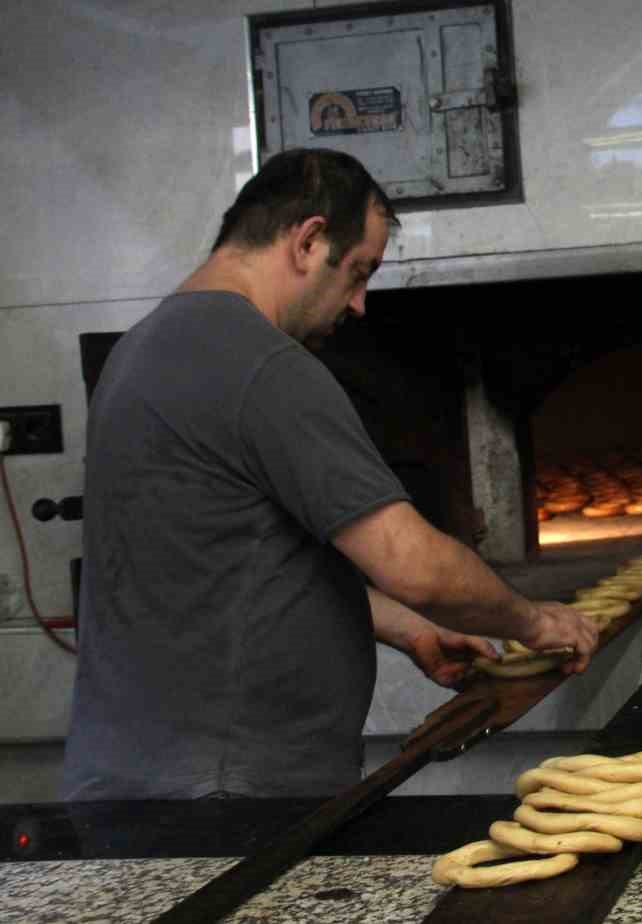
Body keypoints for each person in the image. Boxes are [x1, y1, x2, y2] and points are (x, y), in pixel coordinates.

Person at [62, 149, 597, 800]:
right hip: (228, 798)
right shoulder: (262, 365)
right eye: (359, 272)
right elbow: (414, 563)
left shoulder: (144, 348)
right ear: (309, 241)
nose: (361, 304)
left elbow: (218, 565)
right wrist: (536, 624)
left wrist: (409, 628)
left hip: (140, 781)